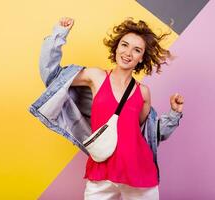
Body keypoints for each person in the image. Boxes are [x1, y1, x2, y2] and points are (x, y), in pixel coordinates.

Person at [28, 17, 184, 200]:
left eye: (137, 50)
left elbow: (147, 134)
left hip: (139, 171)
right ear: (116, 47)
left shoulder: (143, 92)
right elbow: (54, 78)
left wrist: (174, 113)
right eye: (124, 45)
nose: (128, 53)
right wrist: (59, 35)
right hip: (101, 169)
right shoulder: (96, 77)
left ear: (142, 57)